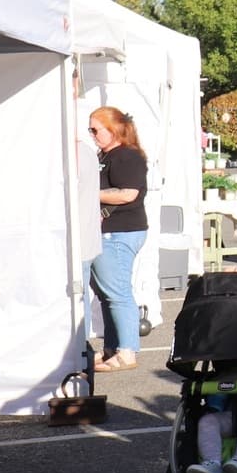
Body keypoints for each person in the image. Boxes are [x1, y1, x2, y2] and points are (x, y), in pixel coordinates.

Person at [88, 106, 149, 372]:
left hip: (120, 231)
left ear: (113, 129)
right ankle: (112, 349)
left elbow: (128, 193)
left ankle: (126, 351)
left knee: (117, 293)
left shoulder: (126, 156)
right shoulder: (109, 155)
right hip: (111, 231)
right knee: (107, 294)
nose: (92, 135)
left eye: (95, 130)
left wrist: (89, 193)